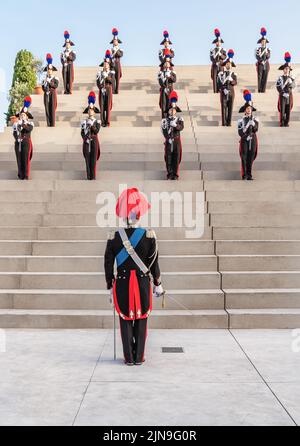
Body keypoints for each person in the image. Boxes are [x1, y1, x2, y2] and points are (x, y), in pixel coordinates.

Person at [104, 188, 163, 366]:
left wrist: (109, 285)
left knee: (125, 319)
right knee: (141, 318)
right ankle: (139, 357)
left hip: (121, 283)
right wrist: (158, 283)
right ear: (139, 215)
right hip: (142, 281)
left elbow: (108, 263)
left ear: (123, 216)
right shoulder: (149, 236)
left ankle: (128, 357)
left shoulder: (114, 237)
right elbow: (153, 263)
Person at [161, 91, 184, 180]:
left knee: (176, 156)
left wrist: (176, 125)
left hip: (177, 140)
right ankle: (169, 173)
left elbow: (181, 127)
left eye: (173, 110)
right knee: (168, 156)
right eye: (170, 110)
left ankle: (175, 173)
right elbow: (164, 130)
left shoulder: (179, 119)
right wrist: (167, 138)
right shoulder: (165, 120)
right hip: (169, 140)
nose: (172, 111)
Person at [238, 90, 259, 181]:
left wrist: (253, 124)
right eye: (247, 109)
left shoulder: (255, 119)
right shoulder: (240, 121)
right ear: (245, 110)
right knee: (244, 156)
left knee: (251, 156)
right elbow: (240, 132)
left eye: (250, 108)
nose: (249, 110)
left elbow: (256, 129)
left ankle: (249, 174)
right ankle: (244, 174)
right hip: (244, 139)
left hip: (253, 138)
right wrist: (246, 127)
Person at [12, 97, 34, 180]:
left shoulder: (29, 123)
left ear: (27, 117)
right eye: (21, 115)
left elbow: (29, 129)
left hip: (26, 142)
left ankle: (26, 174)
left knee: (25, 158)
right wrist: (16, 137)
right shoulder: (16, 124)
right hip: (18, 143)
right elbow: (14, 133)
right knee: (19, 159)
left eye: (24, 115)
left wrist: (23, 124)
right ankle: (20, 174)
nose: (22, 116)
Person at [81, 92, 101, 180]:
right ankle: (88, 175)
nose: (90, 111)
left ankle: (93, 176)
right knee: (87, 159)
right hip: (87, 140)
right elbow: (82, 132)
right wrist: (85, 137)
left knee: (93, 159)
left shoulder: (97, 122)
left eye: (92, 110)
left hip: (94, 139)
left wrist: (92, 126)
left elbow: (96, 131)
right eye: (89, 109)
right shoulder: (84, 121)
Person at [217, 50, 238, 126]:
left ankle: (229, 123)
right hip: (223, 92)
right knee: (223, 107)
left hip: (231, 92)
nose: (228, 65)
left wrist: (231, 80)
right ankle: (224, 122)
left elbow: (235, 82)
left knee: (230, 107)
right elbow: (218, 84)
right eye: (227, 64)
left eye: (230, 64)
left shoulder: (233, 74)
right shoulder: (221, 74)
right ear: (225, 65)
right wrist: (223, 89)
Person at [276, 52, 296, 127]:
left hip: (289, 95)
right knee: (282, 109)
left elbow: (294, 85)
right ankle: (281, 122)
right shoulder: (280, 78)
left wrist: (291, 84)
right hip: (282, 95)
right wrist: (282, 93)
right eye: (285, 69)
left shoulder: (291, 78)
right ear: (283, 70)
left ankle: (287, 122)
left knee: (288, 109)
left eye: (288, 69)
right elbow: (278, 86)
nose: (287, 70)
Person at [97, 59, 115, 127]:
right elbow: (98, 82)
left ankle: (107, 122)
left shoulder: (111, 73)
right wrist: (101, 88)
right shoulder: (100, 73)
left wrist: (106, 77)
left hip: (108, 89)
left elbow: (112, 82)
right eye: (104, 65)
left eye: (107, 64)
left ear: (109, 66)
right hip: (102, 90)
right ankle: (102, 121)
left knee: (108, 106)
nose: (105, 66)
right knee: (102, 106)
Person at [42, 54, 59, 127]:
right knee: (47, 108)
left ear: (52, 71)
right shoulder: (44, 79)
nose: (49, 71)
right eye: (48, 70)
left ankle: (52, 124)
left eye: (50, 70)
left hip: (52, 93)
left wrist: (49, 82)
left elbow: (55, 86)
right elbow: (43, 88)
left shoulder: (55, 78)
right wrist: (46, 84)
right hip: (46, 94)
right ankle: (48, 123)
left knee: (52, 108)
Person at [158, 54, 177, 118]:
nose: (166, 64)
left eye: (168, 63)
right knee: (164, 104)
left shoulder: (172, 72)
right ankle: (164, 118)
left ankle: (170, 116)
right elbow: (160, 82)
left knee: (170, 104)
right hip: (164, 89)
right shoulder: (160, 73)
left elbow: (174, 80)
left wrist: (170, 76)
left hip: (170, 89)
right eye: (165, 63)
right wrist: (162, 79)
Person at [210, 29, 227, 93]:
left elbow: (225, 56)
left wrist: (221, 56)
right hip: (215, 65)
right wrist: (215, 62)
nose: (218, 43)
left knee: (221, 78)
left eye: (219, 42)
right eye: (217, 42)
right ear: (215, 43)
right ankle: (215, 91)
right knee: (214, 78)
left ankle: (221, 91)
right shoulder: (212, 50)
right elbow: (211, 58)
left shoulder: (223, 49)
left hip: (221, 65)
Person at [61, 30, 76, 94]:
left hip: (70, 65)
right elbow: (61, 60)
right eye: (66, 44)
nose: (67, 45)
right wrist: (63, 62)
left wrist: (68, 56)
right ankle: (65, 90)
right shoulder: (63, 52)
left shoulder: (72, 52)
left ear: (70, 45)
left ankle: (69, 90)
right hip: (65, 66)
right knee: (65, 78)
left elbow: (73, 58)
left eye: (68, 44)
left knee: (70, 78)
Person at [256, 27, 271, 93]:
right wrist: (261, 61)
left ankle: (263, 90)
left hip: (266, 63)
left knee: (265, 77)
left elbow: (269, 56)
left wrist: (267, 55)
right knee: (260, 77)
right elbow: (257, 56)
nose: (263, 43)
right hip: (260, 64)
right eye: (262, 42)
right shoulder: (258, 49)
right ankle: (259, 90)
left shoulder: (268, 49)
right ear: (260, 42)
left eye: (264, 42)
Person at [110, 28, 124, 94]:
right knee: (112, 77)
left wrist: (116, 50)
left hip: (117, 63)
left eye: (116, 41)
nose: (115, 42)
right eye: (114, 41)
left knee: (117, 77)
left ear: (118, 42)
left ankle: (117, 90)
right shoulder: (111, 50)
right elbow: (110, 57)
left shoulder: (120, 49)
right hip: (112, 64)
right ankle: (113, 90)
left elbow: (120, 55)